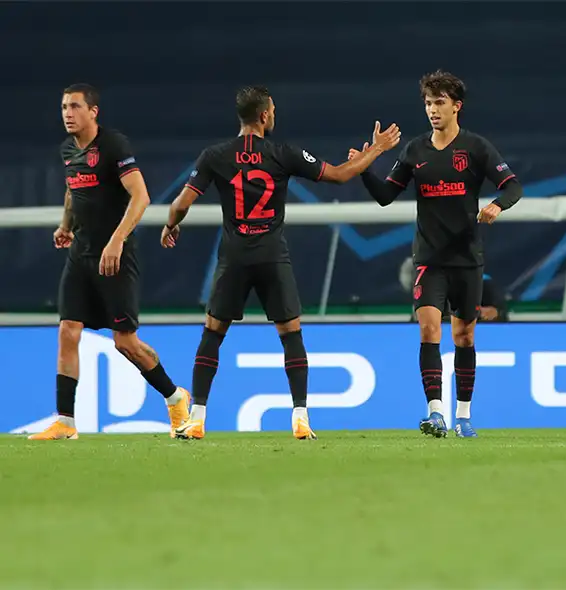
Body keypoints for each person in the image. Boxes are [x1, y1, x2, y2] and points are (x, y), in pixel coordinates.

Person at [161, 85, 401, 440]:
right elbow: (339, 174)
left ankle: (197, 417)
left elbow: (181, 203)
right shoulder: (283, 153)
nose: (274, 115)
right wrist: (377, 149)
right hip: (272, 255)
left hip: (235, 258)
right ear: (263, 116)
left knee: (213, 334)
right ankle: (300, 416)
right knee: (290, 335)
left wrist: (171, 225)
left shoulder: (215, 155)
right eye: (272, 110)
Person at [349, 70, 523, 438]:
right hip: (428, 257)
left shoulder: (476, 147)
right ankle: (435, 412)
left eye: (439, 103)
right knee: (429, 329)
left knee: (464, 336)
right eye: (428, 103)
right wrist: (364, 169)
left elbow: (512, 186)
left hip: (467, 258)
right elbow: (385, 196)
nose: (432, 109)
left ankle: (464, 416)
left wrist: (497, 205)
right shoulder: (415, 150)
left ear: (457, 106)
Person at [30, 83, 191, 441]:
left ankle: (175, 396)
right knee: (68, 330)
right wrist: (66, 225)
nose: (67, 113)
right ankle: (65, 422)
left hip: (115, 257)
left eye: (75, 106)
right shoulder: (67, 149)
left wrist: (117, 241)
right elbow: (73, 189)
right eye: (64, 107)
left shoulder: (114, 146)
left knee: (125, 342)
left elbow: (141, 196)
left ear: (93, 112)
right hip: (81, 254)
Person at [398, 257, 508, 322]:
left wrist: (476, 313)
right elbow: (417, 323)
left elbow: (497, 313)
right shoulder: (429, 289)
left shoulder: (484, 283)